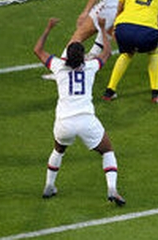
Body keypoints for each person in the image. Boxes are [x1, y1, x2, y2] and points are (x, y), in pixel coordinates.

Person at [33, 17, 125, 206]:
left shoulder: (58, 67)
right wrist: (101, 28)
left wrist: (48, 28)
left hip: (64, 122)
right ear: (83, 57)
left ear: (66, 56)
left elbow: (38, 50)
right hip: (86, 121)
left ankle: (49, 186)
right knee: (107, 150)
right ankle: (112, 189)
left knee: (58, 149)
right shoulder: (91, 67)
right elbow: (107, 52)